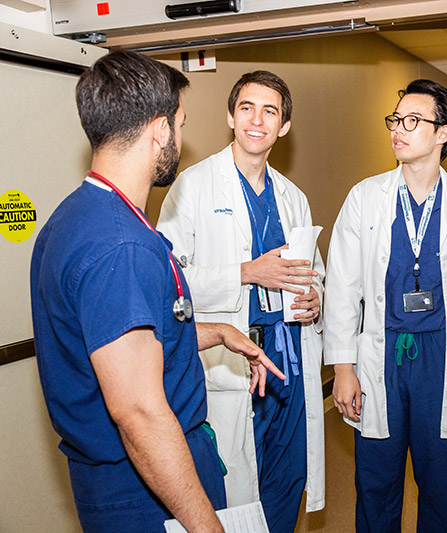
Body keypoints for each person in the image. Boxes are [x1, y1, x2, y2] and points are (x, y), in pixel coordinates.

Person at [30, 50, 284, 532]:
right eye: (180, 125)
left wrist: (218, 332)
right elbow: (139, 412)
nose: (180, 140)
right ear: (160, 129)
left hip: (123, 479)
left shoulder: (76, 217)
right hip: (146, 488)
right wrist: (206, 526)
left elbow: (129, 339)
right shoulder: (121, 247)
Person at [324, 79, 447, 532]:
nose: (397, 130)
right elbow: (343, 287)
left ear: (443, 133)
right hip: (381, 353)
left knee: (440, 483)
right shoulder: (365, 197)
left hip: (444, 355)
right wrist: (343, 367)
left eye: (412, 121)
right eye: (395, 120)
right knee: (376, 482)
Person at [157, 71, 325, 532]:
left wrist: (315, 301)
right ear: (230, 116)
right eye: (247, 108)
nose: (257, 119)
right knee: (232, 492)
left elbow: (315, 273)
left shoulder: (293, 198)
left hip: (286, 362)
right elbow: (166, 282)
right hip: (228, 365)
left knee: (285, 483)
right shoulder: (192, 187)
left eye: (270, 111)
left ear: (284, 126)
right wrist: (246, 273)